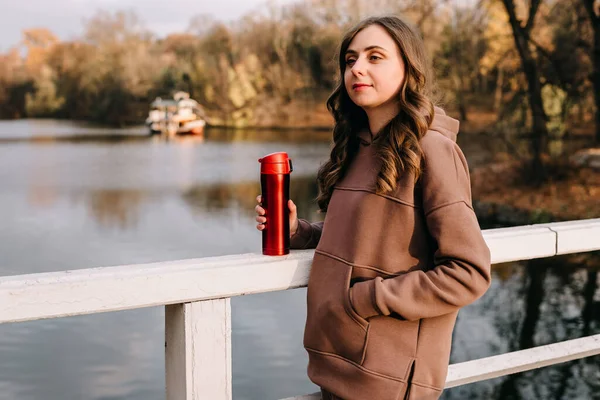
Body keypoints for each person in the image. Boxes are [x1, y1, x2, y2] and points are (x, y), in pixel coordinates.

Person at [255, 15, 491, 400]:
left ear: (407, 69)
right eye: (350, 60)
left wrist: (365, 299)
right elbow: (361, 242)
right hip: (337, 368)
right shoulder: (355, 148)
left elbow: (468, 273)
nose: (357, 68)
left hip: (389, 382)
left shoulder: (433, 151)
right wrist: (300, 231)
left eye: (375, 57)